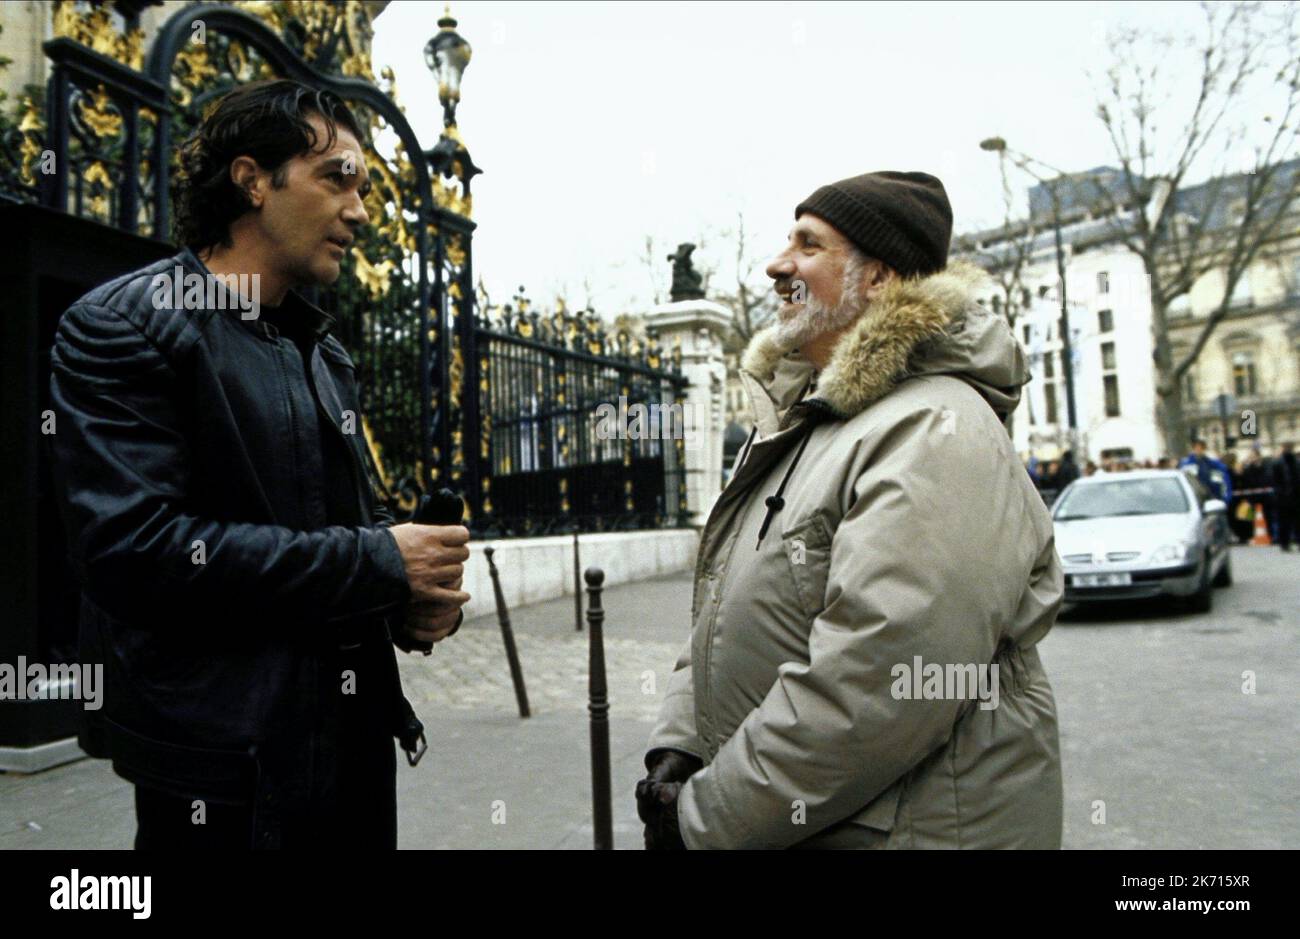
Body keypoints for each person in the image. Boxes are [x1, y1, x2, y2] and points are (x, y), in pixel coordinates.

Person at [47, 80, 471, 850]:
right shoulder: (124, 324)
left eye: (366, 188)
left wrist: (406, 599)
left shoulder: (323, 350)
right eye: (338, 178)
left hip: (350, 751)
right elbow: (134, 551)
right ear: (252, 180)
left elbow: (329, 532)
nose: (361, 211)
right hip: (222, 773)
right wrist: (379, 560)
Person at [637, 171, 1064, 849]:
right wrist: (680, 745)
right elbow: (730, 610)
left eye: (809, 245)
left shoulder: (933, 430)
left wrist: (706, 818)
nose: (779, 264)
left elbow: (876, 688)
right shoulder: (809, 425)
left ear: (880, 281)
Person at [1271, 442, 1298, 551]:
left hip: (1293, 497)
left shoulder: (1296, 463)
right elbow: (1274, 481)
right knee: (1284, 522)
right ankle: (1284, 543)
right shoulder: (1277, 464)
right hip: (1284, 498)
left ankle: (1287, 542)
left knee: (1292, 521)